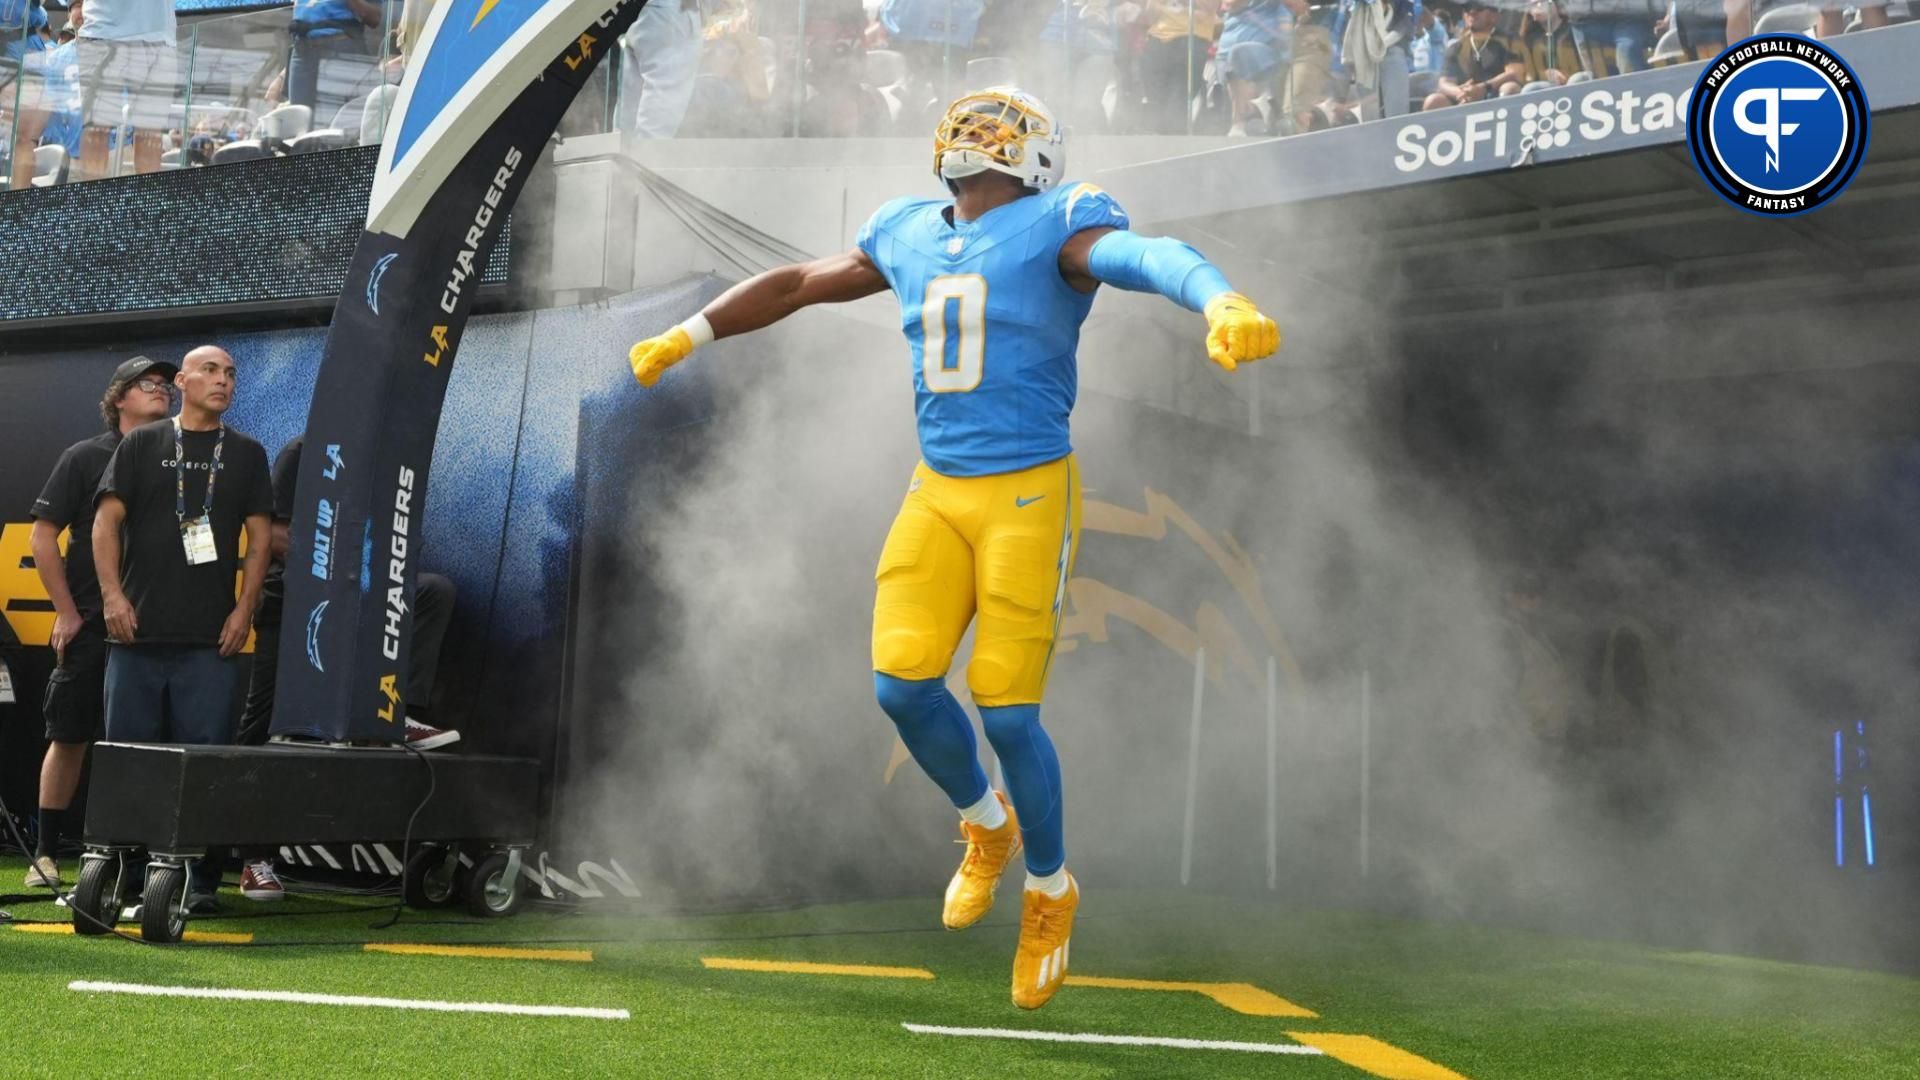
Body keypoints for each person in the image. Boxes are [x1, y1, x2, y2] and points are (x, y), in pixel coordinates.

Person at [624, 86, 1279, 1009]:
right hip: (936, 490)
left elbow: (1144, 256)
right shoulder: (904, 229)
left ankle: (1051, 891)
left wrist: (1220, 298)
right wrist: (689, 332)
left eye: (1006, 122)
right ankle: (985, 825)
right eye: (973, 119)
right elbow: (799, 283)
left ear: (1041, 153)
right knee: (900, 682)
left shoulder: (1063, 221)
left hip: (1027, 493)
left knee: (1008, 712)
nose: (983, 130)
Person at [93, 345, 272, 914]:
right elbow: (104, 524)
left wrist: (245, 610)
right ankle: (124, 880)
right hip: (136, 635)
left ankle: (196, 882)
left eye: (231, 374)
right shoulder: (143, 443)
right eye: (212, 371)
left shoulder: (245, 453)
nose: (224, 382)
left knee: (205, 764)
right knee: (130, 761)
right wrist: (112, 596)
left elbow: (262, 539)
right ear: (183, 380)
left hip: (209, 641)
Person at [22, 357, 176, 889]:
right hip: (91, 625)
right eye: (146, 384)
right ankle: (44, 854)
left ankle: (134, 860)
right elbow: (42, 537)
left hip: (160, 630)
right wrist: (66, 611)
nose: (160, 391)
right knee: (69, 736)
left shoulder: (183, 458)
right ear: (117, 400)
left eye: (165, 384)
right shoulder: (86, 456)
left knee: (143, 747)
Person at [618, 0, 707, 139]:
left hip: (640, 9)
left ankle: (623, 158)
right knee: (657, 125)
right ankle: (644, 158)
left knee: (627, 119)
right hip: (674, 13)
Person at [284, 0, 383, 116]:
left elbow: (374, 18)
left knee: (336, 120)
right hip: (301, 50)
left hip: (339, 48)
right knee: (299, 118)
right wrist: (282, 74)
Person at [1421, 0, 1524, 110]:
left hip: (1494, 92)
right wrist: (1461, 92)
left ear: (1494, 15)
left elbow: (1514, 73)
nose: (1472, 12)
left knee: (1510, 88)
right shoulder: (1456, 47)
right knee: (1434, 101)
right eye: (1467, 8)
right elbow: (1444, 82)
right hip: (1463, 98)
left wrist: (1483, 87)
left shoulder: (1510, 41)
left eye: (1478, 8)